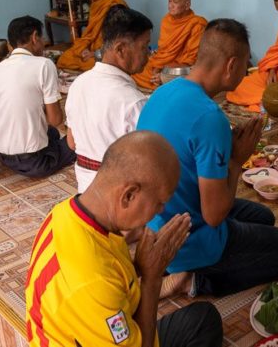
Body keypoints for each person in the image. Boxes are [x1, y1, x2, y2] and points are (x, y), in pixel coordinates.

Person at [137, 18, 278, 297]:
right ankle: (194, 280)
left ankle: (184, 265)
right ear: (231, 65)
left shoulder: (163, 92)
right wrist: (236, 162)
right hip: (189, 241)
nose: (243, 75)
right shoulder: (209, 117)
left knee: (262, 216)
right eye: (244, 66)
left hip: (158, 225)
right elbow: (214, 216)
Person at [25, 131, 223, 347]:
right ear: (129, 195)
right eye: (159, 202)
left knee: (201, 319)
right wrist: (152, 278)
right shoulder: (91, 281)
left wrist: (140, 266)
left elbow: (110, 273)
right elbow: (98, 280)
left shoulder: (64, 213)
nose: (161, 211)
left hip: (92, 325)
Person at [0, 16, 75, 181]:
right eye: (42, 38)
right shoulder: (44, 64)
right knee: (79, 139)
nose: (43, 43)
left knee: (50, 133)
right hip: (34, 163)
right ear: (35, 37)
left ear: (10, 45)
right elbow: (56, 119)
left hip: (3, 153)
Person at [65, 6, 152, 193]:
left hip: (85, 189)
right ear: (120, 49)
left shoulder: (78, 84)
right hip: (120, 197)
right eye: (144, 47)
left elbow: (71, 143)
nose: (149, 54)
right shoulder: (134, 102)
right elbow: (148, 162)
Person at [133, 0, 207, 90]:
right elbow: (163, 51)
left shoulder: (197, 24)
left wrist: (166, 72)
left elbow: (191, 59)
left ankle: (164, 80)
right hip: (162, 62)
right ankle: (162, 80)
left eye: (175, 2)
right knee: (138, 68)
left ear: (187, 5)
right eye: (169, 1)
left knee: (177, 74)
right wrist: (158, 65)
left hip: (181, 67)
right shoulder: (166, 21)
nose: (170, 6)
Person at [57, 0, 127, 71]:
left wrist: (96, 53)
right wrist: (83, 49)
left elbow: (119, 38)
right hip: (92, 49)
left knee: (93, 64)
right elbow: (91, 34)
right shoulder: (95, 4)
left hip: (108, 52)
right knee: (65, 58)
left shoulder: (115, 5)